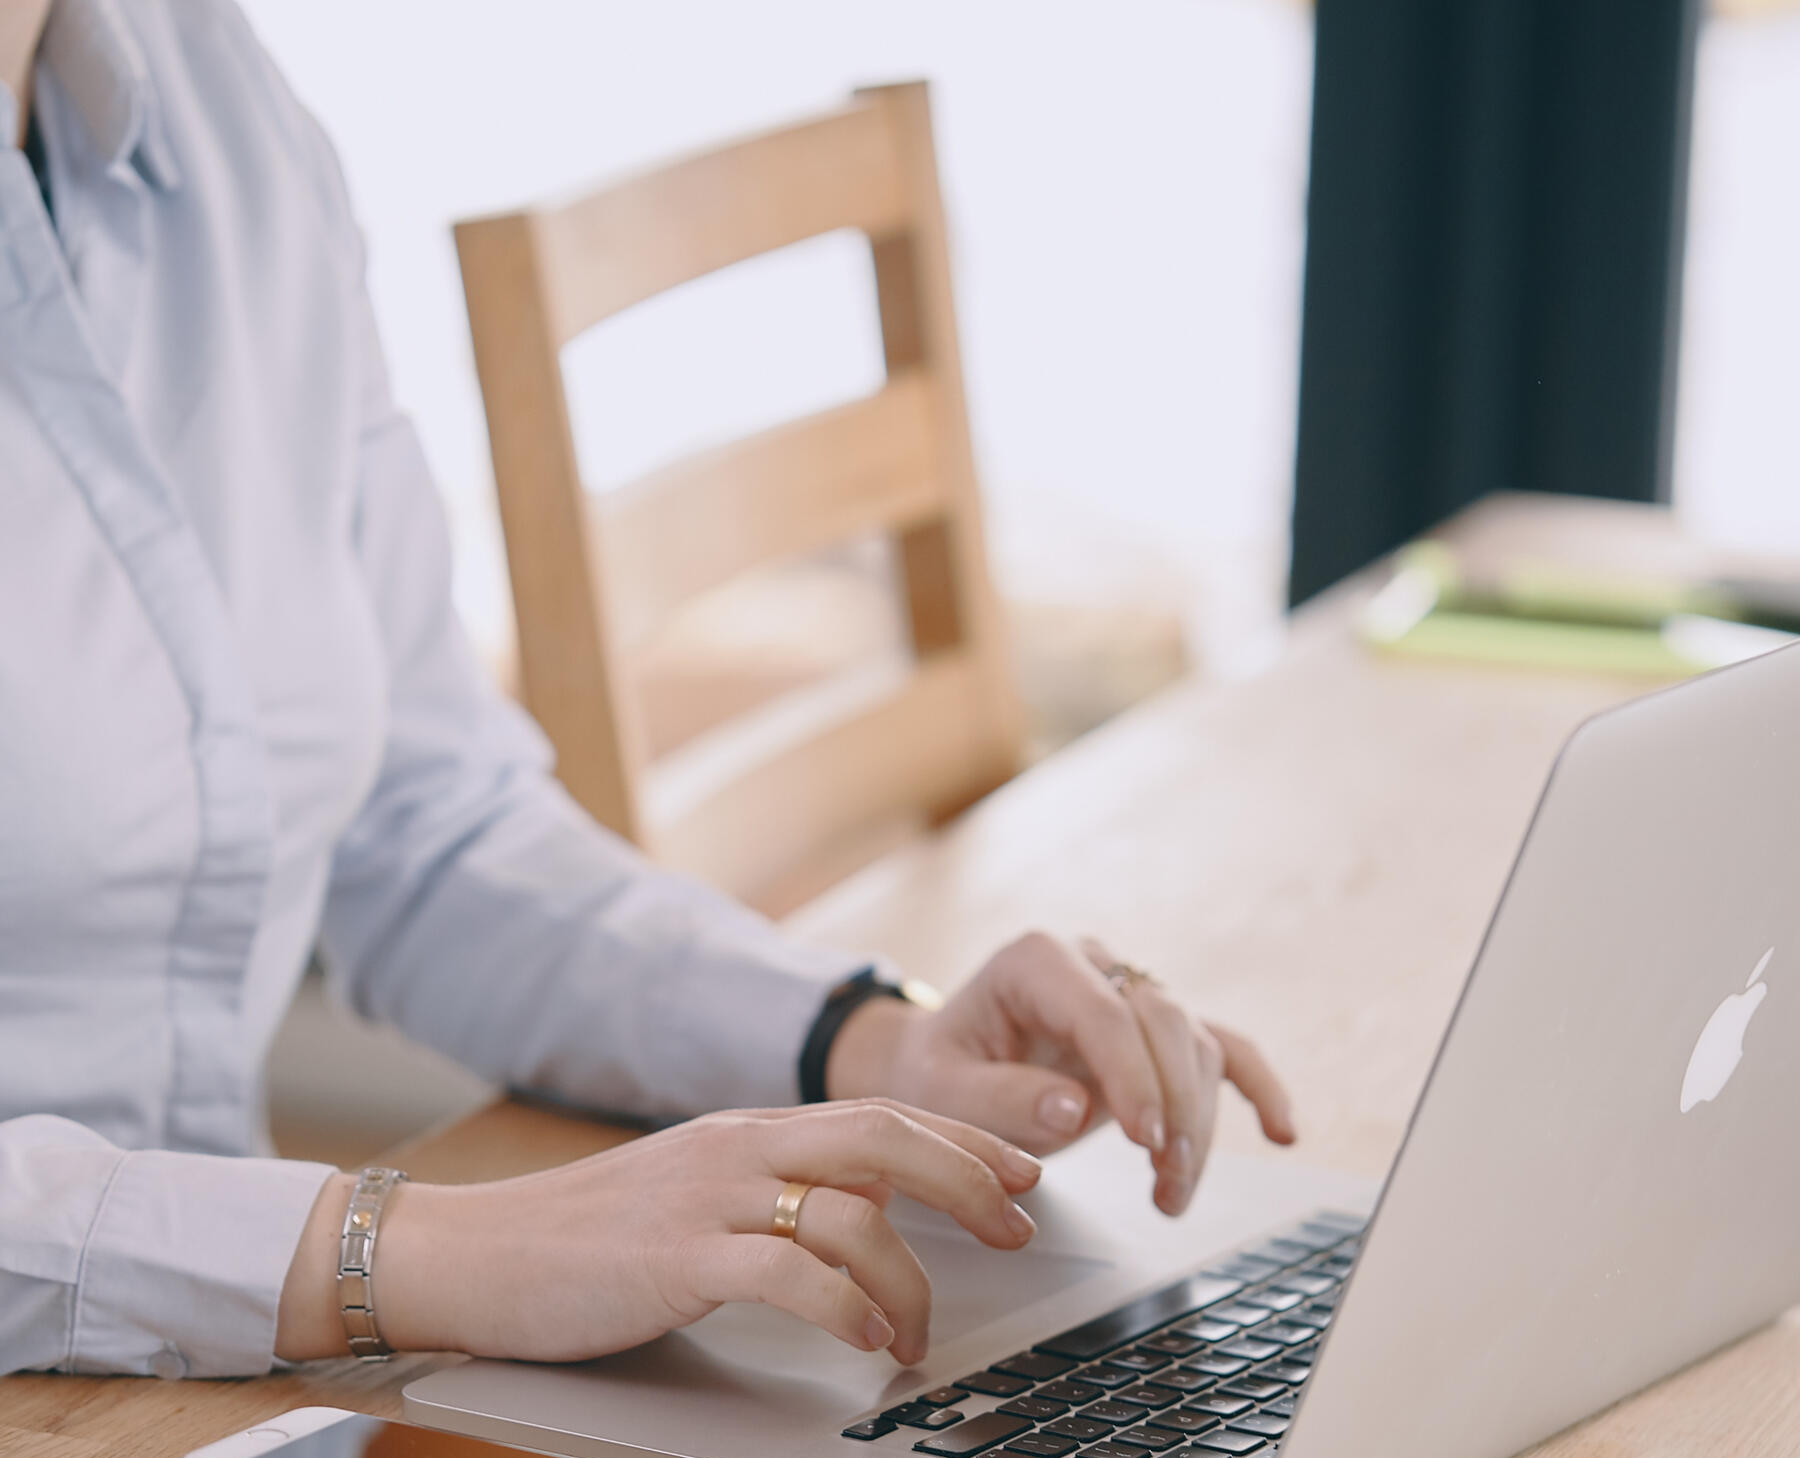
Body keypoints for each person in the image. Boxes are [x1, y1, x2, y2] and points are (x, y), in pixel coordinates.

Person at [0, 0, 1293, 1384]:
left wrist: (869, 1040)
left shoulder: (212, 100)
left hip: (173, 1401)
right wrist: (416, 1252)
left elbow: (428, 824)